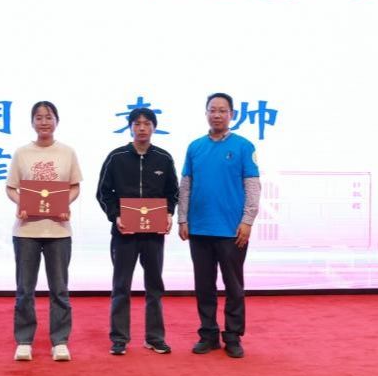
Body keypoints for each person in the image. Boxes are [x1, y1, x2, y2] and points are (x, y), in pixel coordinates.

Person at [177, 92, 260, 359]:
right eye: (212, 110)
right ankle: (208, 334)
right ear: (206, 113)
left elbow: (253, 187)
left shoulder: (243, 146)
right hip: (199, 228)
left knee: (234, 286)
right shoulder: (195, 147)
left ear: (231, 115)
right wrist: (182, 218)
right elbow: (186, 186)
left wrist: (247, 221)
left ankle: (233, 336)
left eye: (222, 110)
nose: (217, 115)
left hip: (232, 231)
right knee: (204, 286)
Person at [95, 107, 179, 356]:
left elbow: (172, 192)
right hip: (124, 233)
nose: (142, 128)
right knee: (121, 285)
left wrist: (169, 213)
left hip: (153, 235)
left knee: (155, 285)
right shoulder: (117, 157)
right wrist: (116, 216)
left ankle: (155, 338)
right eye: (137, 123)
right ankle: (119, 338)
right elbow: (103, 193)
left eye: (147, 123)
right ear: (130, 127)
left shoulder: (163, 158)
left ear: (154, 127)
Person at [6, 101, 82, 361]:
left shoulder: (67, 152)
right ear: (32, 122)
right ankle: (24, 340)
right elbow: (11, 188)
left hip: (58, 230)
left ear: (56, 121)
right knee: (24, 290)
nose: (44, 122)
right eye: (38, 118)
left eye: (48, 117)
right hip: (26, 230)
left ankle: (59, 341)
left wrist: (64, 205)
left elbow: (74, 186)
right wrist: (21, 204)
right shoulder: (22, 153)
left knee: (59, 289)